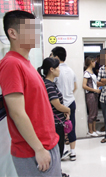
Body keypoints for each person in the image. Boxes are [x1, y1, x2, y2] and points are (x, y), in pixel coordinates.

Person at [0, 10, 61, 176]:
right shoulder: (11, 64)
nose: (36, 33)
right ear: (12, 33)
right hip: (33, 151)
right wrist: (39, 148)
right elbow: (17, 113)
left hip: (48, 144)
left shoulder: (26, 64)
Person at [38, 57, 70, 177]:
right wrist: (68, 110)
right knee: (57, 151)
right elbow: (56, 104)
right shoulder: (49, 85)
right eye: (57, 68)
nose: (59, 70)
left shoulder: (49, 83)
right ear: (51, 69)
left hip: (56, 121)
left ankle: (58, 172)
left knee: (58, 150)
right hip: (55, 123)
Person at [51, 46, 78, 161]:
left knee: (59, 130)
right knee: (71, 127)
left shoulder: (56, 71)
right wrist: (68, 95)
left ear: (56, 57)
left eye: (52, 55)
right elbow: (75, 87)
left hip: (59, 105)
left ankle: (60, 153)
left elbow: (52, 88)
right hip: (71, 102)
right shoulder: (71, 70)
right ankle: (73, 152)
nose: (51, 57)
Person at [82, 56, 101, 137]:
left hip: (95, 94)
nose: (95, 63)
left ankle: (94, 129)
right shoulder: (86, 73)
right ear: (90, 62)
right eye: (94, 62)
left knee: (95, 112)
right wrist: (94, 90)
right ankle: (90, 130)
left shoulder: (92, 72)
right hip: (90, 94)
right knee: (92, 113)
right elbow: (84, 85)